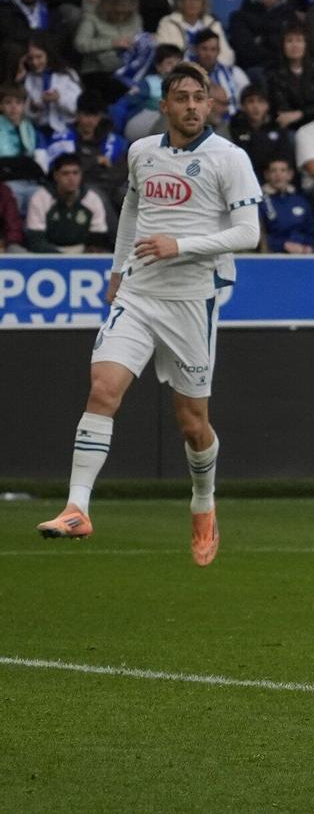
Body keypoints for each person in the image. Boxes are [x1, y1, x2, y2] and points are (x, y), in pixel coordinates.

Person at [36, 65, 259, 562]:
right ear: (165, 106)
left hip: (191, 301)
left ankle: (203, 502)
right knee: (103, 389)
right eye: (182, 97)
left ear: (209, 103)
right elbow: (132, 213)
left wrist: (180, 245)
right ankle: (77, 507)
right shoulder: (141, 152)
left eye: (199, 97)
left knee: (192, 424)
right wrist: (118, 270)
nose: (192, 106)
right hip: (138, 294)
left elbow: (249, 233)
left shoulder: (230, 157)